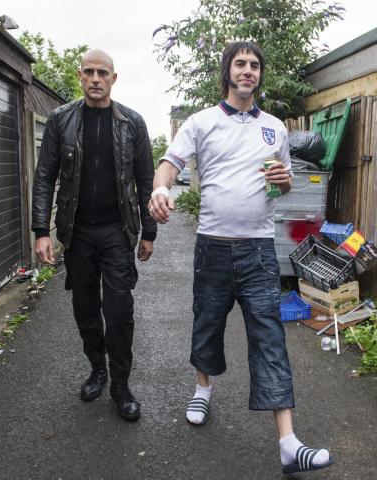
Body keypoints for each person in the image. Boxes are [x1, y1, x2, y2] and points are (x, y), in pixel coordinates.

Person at [148, 42, 332, 474]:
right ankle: (203, 389)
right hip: (212, 246)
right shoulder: (201, 122)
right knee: (206, 323)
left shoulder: (275, 129)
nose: (248, 70)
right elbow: (169, 164)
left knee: (270, 338)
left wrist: (284, 182)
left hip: (259, 250)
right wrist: (160, 188)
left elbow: (280, 187)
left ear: (259, 75)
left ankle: (288, 442)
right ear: (227, 72)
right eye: (240, 64)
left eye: (254, 65)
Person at [31, 49, 156, 421]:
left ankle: (121, 384)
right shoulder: (60, 120)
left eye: (103, 72)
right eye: (89, 72)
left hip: (118, 232)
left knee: (119, 311)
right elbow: (44, 177)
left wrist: (148, 232)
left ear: (114, 79)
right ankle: (97, 368)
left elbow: (146, 181)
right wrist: (42, 231)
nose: (96, 78)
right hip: (78, 233)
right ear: (80, 76)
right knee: (85, 308)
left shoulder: (132, 123)